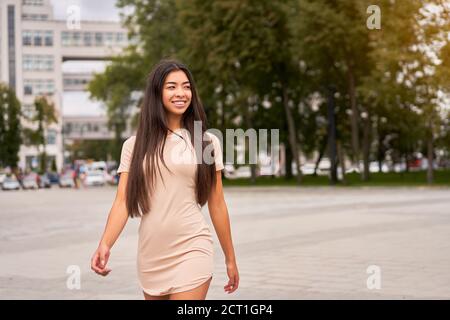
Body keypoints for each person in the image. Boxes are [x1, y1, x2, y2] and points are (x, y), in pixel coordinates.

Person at [90, 59, 239, 300]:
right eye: (172, 86)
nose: (181, 93)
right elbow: (122, 202)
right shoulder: (134, 146)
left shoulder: (207, 142)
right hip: (152, 253)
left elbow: (217, 202)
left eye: (186, 86)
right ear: (157, 93)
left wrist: (230, 258)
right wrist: (105, 243)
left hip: (193, 246)